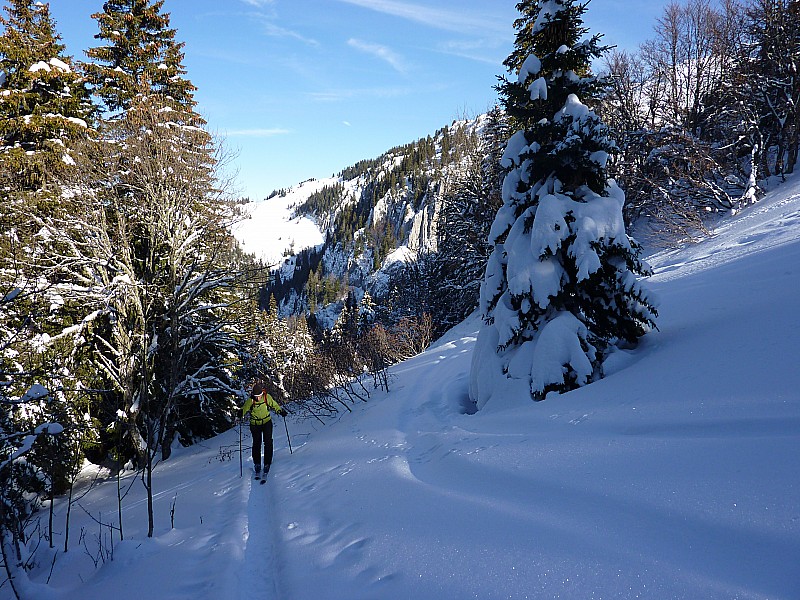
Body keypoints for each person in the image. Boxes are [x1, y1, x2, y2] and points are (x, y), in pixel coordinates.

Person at [242, 380, 286, 479]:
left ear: (262, 394)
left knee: (268, 442)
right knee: (256, 444)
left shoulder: (266, 397)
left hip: (266, 422)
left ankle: (267, 463)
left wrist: (280, 411)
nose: (258, 398)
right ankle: (257, 463)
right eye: (256, 396)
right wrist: (240, 413)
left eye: (259, 395)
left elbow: (274, 405)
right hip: (255, 424)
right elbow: (244, 409)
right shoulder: (250, 400)